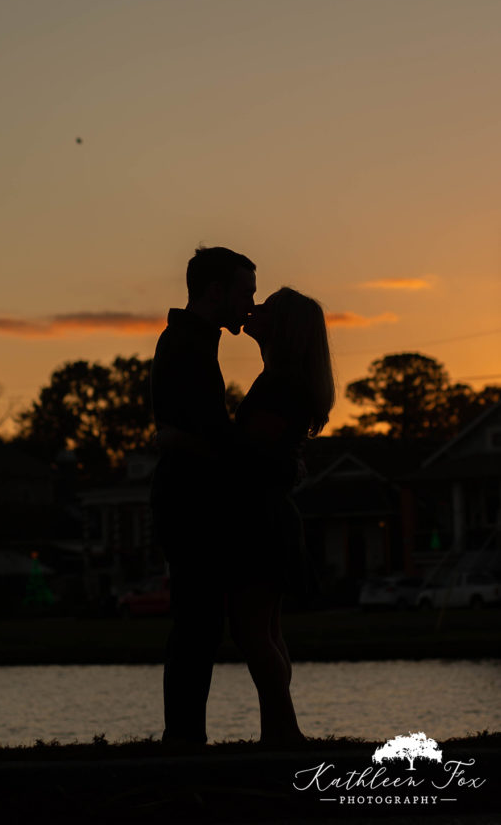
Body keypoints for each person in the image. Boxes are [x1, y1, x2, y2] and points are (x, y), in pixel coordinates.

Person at [150, 245, 257, 745]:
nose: (249, 306)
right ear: (216, 292)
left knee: (199, 623)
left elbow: (196, 432)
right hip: (190, 504)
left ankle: (186, 738)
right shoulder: (187, 347)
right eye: (244, 293)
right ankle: (184, 740)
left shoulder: (191, 341)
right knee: (197, 624)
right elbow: (212, 433)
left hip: (191, 499)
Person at [227, 287, 335, 747]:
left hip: (260, 517)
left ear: (283, 327)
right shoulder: (284, 381)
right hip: (269, 515)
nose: (255, 309)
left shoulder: (279, 385)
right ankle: (278, 728)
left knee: (251, 629)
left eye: (267, 307)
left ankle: (283, 728)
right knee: (265, 628)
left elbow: (253, 453)